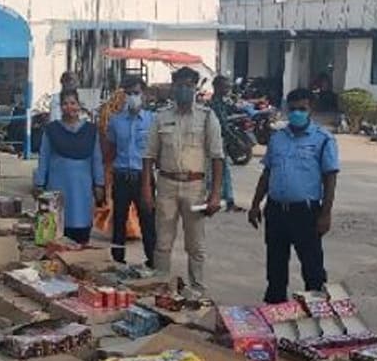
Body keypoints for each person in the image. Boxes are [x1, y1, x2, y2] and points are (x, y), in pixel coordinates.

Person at [247, 88, 340, 304]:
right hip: (276, 210)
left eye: (302, 109)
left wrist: (325, 214)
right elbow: (267, 172)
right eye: (293, 109)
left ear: (311, 109)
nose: (297, 113)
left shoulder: (323, 139)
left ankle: (317, 313)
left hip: (305, 212)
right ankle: (276, 311)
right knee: (276, 266)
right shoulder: (278, 138)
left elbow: (330, 178)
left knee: (312, 267)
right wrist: (254, 205)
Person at [141, 67, 224, 293]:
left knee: (196, 245)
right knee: (162, 244)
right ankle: (161, 289)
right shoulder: (161, 117)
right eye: (180, 85)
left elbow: (218, 157)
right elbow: (148, 157)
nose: (184, 90)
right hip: (166, 185)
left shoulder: (208, 118)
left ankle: (197, 290)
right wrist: (147, 190)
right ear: (173, 87)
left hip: (195, 187)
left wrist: (215, 194)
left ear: (196, 88)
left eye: (189, 85)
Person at [34, 90, 105, 245]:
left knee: (81, 231)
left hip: (82, 188)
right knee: (56, 231)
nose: (69, 107)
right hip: (57, 187)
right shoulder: (52, 130)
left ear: (79, 105)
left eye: (73, 103)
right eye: (65, 103)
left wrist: (99, 184)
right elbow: (44, 157)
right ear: (60, 107)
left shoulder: (90, 131)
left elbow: (97, 158)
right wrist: (39, 183)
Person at [103, 75, 156, 266]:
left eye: (136, 93)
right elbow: (109, 151)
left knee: (147, 220)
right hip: (121, 175)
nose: (132, 97)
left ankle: (152, 260)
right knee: (119, 220)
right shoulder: (116, 122)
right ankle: (118, 260)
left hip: (144, 177)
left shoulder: (152, 120)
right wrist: (105, 179)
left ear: (144, 95)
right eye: (128, 93)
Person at [209, 75, 243, 212]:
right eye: (225, 86)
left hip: (219, 142)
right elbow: (223, 126)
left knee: (223, 171)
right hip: (216, 142)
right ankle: (225, 200)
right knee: (220, 172)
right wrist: (236, 140)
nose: (228, 89)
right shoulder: (215, 105)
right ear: (217, 87)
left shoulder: (222, 103)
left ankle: (227, 199)